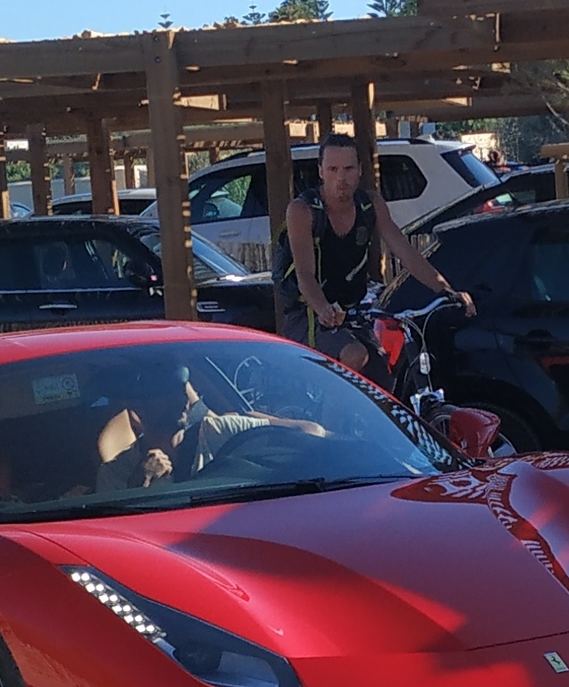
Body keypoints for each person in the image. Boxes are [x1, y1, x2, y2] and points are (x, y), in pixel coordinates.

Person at [275, 136, 474, 375]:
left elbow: (406, 253)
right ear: (321, 171)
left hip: (353, 313)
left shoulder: (370, 205)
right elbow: (304, 274)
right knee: (354, 355)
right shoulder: (302, 210)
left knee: (384, 376)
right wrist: (324, 309)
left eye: (348, 169)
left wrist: (447, 290)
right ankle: (331, 412)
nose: (341, 178)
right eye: (333, 169)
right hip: (308, 314)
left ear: (359, 170)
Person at [95, 363, 323, 492]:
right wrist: (140, 483)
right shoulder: (116, 473)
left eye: (182, 390)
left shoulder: (220, 431)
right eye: (167, 393)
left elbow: (309, 432)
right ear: (139, 408)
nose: (183, 399)